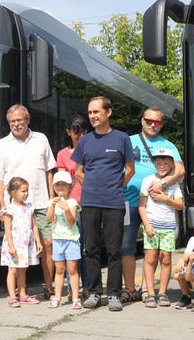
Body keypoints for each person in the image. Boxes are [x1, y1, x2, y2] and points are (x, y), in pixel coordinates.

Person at [71, 96, 135, 312]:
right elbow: (78, 171)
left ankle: (114, 294)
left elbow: (130, 169)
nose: (92, 116)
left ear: (109, 112)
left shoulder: (122, 138)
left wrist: (117, 187)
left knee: (114, 250)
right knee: (90, 249)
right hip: (89, 202)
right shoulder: (85, 141)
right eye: (90, 113)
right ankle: (95, 292)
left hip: (114, 203)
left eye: (96, 112)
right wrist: (89, 185)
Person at [0, 104, 56, 299]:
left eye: (19, 120)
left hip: (42, 201)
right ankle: (20, 289)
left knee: (47, 245)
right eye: (12, 121)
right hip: (15, 207)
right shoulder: (2, 144)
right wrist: (3, 205)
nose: (16, 124)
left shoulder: (41, 139)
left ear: (27, 120)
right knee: (17, 248)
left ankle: (49, 286)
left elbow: (49, 171)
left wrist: (52, 199)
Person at [122, 107, 185, 303]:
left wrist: (163, 184)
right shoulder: (128, 141)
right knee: (126, 247)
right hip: (128, 201)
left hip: (158, 207)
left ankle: (148, 289)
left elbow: (180, 170)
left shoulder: (168, 145)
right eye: (148, 120)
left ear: (161, 124)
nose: (152, 124)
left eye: (156, 122)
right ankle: (130, 289)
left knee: (157, 254)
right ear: (142, 120)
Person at [140, 149, 184, 308]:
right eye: (158, 162)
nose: (162, 166)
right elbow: (141, 206)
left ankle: (163, 293)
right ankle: (150, 293)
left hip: (168, 228)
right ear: (154, 163)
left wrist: (165, 199)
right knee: (150, 259)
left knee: (166, 259)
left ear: (172, 164)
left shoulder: (174, 185)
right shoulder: (147, 180)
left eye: (166, 163)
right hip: (152, 226)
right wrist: (147, 225)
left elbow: (180, 205)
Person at [56, 113, 89, 297]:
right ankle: (72, 287)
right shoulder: (62, 154)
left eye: (84, 132)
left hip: (88, 203)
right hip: (70, 206)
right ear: (68, 132)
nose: (81, 136)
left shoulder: (91, 150)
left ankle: (88, 285)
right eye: (77, 133)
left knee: (86, 247)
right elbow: (61, 182)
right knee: (71, 246)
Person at [1, 177, 43, 307]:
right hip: (14, 243)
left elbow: (33, 226)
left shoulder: (29, 207)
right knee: (12, 270)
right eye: (23, 191)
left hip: (26, 243)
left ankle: (23, 294)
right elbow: (7, 229)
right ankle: (12, 296)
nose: (26, 194)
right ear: (13, 192)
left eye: (27, 191)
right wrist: (11, 246)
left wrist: (38, 241)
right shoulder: (9, 209)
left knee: (22, 270)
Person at [46, 171, 82, 310]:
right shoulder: (52, 201)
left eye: (64, 184)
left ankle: (75, 298)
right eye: (58, 185)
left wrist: (66, 209)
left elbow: (71, 222)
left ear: (69, 186)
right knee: (59, 269)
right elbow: (49, 219)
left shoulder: (72, 202)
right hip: (57, 239)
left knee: (72, 269)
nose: (60, 187)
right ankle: (57, 297)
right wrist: (52, 206)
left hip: (71, 240)